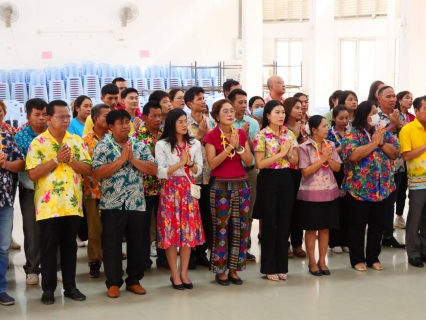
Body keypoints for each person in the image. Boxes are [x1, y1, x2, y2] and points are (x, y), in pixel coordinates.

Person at [26, 100, 92, 304]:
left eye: (67, 117)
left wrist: (69, 160)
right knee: (48, 248)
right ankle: (48, 290)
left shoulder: (76, 140)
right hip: (49, 207)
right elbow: (33, 174)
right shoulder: (38, 143)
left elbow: (87, 169)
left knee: (69, 248)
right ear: (49, 118)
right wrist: (55, 160)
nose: (65, 120)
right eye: (60, 117)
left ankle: (71, 287)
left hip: (72, 204)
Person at [92, 110, 157, 298]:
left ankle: (134, 281)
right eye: (120, 122)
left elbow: (153, 169)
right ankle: (113, 282)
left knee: (137, 242)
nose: (125, 125)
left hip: (136, 202)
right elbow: (97, 173)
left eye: (127, 122)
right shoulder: (102, 146)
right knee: (111, 245)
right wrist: (121, 161)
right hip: (112, 203)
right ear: (111, 126)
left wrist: (133, 160)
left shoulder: (139, 145)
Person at [341, 100, 398, 271]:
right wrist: (373, 144)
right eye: (374, 112)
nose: (377, 116)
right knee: (357, 226)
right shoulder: (352, 133)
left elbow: (395, 152)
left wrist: (381, 143)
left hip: (382, 188)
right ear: (365, 115)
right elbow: (352, 156)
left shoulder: (382, 132)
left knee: (377, 225)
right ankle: (357, 259)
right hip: (360, 188)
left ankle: (373, 257)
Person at [155, 108, 205, 289]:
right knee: (171, 233)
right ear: (171, 124)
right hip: (170, 191)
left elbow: (199, 170)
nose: (185, 125)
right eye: (180, 122)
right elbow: (160, 172)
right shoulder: (162, 145)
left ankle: (184, 273)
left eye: (185, 121)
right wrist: (180, 163)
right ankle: (174, 274)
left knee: (187, 234)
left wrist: (190, 163)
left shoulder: (195, 144)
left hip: (188, 191)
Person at [205, 99, 252, 285]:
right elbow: (212, 163)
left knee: (241, 228)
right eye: (225, 111)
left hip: (241, 184)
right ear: (217, 116)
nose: (230, 114)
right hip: (220, 186)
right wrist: (230, 147)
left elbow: (249, 161)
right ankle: (220, 269)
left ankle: (234, 268)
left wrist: (238, 146)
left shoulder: (240, 133)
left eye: (232, 111)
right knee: (221, 228)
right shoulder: (211, 135)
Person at [253, 100, 298, 281]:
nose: (281, 116)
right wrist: (280, 154)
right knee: (270, 223)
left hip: (286, 178)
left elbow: (295, 161)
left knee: (284, 222)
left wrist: (288, 154)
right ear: (268, 115)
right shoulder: (262, 135)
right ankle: (269, 267)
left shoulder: (289, 134)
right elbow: (260, 163)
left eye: (282, 112)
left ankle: (282, 266)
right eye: (277, 112)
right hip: (268, 179)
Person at [298, 115, 341, 276]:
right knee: (311, 229)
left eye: (327, 126)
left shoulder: (330, 145)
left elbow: (337, 168)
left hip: (329, 193)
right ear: (314, 129)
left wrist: (328, 158)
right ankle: (312, 261)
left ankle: (322, 261)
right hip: (310, 195)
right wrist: (322, 159)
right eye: (324, 126)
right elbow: (305, 171)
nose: (327, 129)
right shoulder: (304, 147)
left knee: (325, 228)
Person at [14, 98, 48, 285]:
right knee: (32, 231)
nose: (41, 118)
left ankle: (56, 267)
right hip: (30, 190)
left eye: (44, 114)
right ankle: (32, 269)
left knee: (53, 231)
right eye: (37, 115)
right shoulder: (20, 137)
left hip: (54, 191)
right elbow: (20, 165)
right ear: (28, 116)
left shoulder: (55, 134)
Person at [133, 101, 168, 270]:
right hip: (144, 186)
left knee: (163, 223)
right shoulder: (137, 136)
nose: (157, 119)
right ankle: (144, 260)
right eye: (153, 116)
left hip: (163, 186)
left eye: (159, 115)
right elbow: (140, 160)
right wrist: (157, 146)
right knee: (143, 225)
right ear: (145, 117)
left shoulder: (166, 133)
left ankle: (163, 258)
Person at [184, 86, 215, 269]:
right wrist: (200, 138)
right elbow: (184, 150)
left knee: (206, 217)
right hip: (191, 179)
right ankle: (191, 253)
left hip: (209, 177)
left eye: (204, 98)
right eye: (199, 99)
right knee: (191, 217)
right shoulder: (183, 124)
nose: (203, 101)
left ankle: (202, 252)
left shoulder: (211, 123)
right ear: (189, 104)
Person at [228, 89, 260, 261]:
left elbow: (256, 149)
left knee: (247, 211)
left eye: (245, 102)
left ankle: (244, 247)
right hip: (231, 173)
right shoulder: (225, 122)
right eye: (239, 102)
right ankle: (228, 248)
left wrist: (246, 138)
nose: (243, 105)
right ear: (231, 103)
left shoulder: (252, 123)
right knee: (229, 212)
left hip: (249, 171)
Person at [82, 103, 111, 278]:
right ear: (95, 119)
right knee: (94, 230)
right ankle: (94, 261)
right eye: (106, 116)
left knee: (112, 229)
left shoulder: (113, 137)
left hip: (114, 190)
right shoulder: (85, 140)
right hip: (92, 190)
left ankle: (111, 260)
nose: (109, 119)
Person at [377, 86, 406, 248]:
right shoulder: (375, 116)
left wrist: (399, 125)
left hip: (397, 165)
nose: (392, 99)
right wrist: (394, 125)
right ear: (379, 98)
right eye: (388, 96)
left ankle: (388, 235)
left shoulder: (400, 115)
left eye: (394, 96)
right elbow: (377, 136)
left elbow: (406, 135)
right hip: (380, 167)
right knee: (381, 202)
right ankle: (378, 233)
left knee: (391, 202)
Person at [0, 123, 25, 306]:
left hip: (5, 201)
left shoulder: (6, 138)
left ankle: (1, 289)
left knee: (2, 248)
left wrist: (5, 163)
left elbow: (21, 164)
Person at [400, 96, 426, 267]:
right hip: (418, 181)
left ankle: (424, 250)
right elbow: (406, 155)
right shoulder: (408, 129)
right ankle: (413, 252)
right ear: (416, 111)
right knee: (415, 217)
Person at [283, 97, 307, 259]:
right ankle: (284, 243)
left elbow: (306, 149)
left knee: (299, 209)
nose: (300, 110)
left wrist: (301, 136)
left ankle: (297, 243)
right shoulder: (282, 128)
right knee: (286, 209)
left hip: (301, 171)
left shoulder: (302, 128)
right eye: (296, 107)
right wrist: (296, 136)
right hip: (286, 171)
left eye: (301, 107)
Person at [327, 105, 350, 253]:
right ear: (334, 118)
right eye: (341, 118)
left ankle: (346, 240)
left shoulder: (351, 132)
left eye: (347, 118)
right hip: (335, 170)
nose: (344, 121)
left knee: (348, 207)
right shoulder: (329, 133)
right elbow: (329, 151)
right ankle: (334, 241)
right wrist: (345, 146)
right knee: (335, 206)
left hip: (350, 171)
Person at [0, 101, 20, 250]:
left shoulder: (9, 131)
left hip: (9, 179)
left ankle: (7, 236)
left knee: (7, 210)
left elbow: (18, 156)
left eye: (0, 110)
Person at [395, 91, 415, 227]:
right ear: (399, 100)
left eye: (411, 98)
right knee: (395, 188)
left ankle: (400, 216)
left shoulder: (413, 117)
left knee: (403, 188)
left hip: (410, 156)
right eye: (407, 98)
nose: (410, 101)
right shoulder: (394, 114)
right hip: (396, 155)